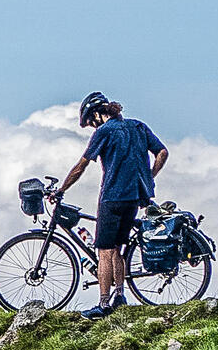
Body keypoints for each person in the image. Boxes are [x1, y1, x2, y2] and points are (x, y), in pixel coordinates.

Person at [54, 91, 168, 318]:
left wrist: (61, 189)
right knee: (118, 249)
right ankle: (120, 296)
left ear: (97, 114)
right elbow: (162, 152)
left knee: (104, 252)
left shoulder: (103, 132)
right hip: (135, 198)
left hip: (112, 198)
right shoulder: (138, 126)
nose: (90, 126)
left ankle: (103, 305)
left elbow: (81, 166)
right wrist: (149, 177)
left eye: (89, 121)